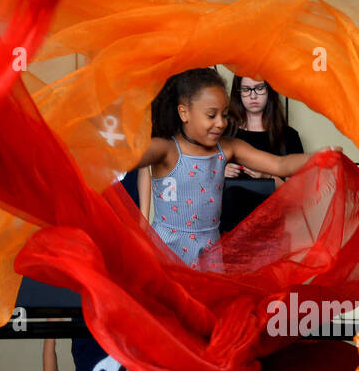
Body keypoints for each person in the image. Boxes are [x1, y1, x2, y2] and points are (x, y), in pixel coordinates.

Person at [134, 68, 326, 266]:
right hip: (167, 250)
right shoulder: (166, 149)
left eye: (224, 115)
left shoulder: (227, 148)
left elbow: (280, 164)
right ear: (184, 113)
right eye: (211, 115)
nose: (221, 123)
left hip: (209, 250)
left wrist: (319, 156)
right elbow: (129, 157)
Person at [221, 75, 304, 232]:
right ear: (237, 92)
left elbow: (297, 196)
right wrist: (219, 172)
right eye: (246, 89)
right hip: (228, 230)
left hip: (272, 232)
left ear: (270, 90)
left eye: (259, 88)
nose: (253, 95)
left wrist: (267, 176)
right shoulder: (223, 131)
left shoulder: (289, 136)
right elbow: (198, 180)